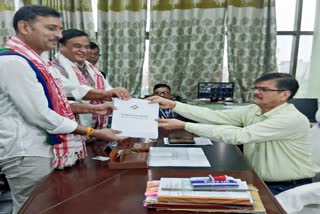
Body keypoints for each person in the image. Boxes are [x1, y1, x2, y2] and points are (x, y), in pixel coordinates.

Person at [0, 5, 126, 213]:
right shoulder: (13, 62)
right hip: (26, 150)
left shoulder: (39, 62)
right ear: (24, 27)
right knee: (33, 208)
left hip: (41, 147)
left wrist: (100, 100)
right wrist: (91, 131)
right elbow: (41, 114)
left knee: (52, 205)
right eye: (51, 28)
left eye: (59, 29)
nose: (58, 35)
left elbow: (62, 95)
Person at [148, 73, 320, 195]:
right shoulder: (254, 110)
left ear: (284, 95)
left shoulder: (290, 119)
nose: (256, 92)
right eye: (256, 87)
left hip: (285, 187)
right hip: (258, 180)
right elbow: (217, 116)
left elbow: (240, 136)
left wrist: (186, 125)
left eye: (264, 89)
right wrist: (174, 105)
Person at [53, 29, 128, 129]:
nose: (84, 51)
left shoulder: (93, 70)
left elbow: (108, 90)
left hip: (96, 131)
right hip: (71, 129)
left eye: (86, 47)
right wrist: (107, 94)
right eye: (77, 46)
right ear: (61, 46)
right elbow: (73, 90)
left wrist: (119, 94)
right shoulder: (53, 68)